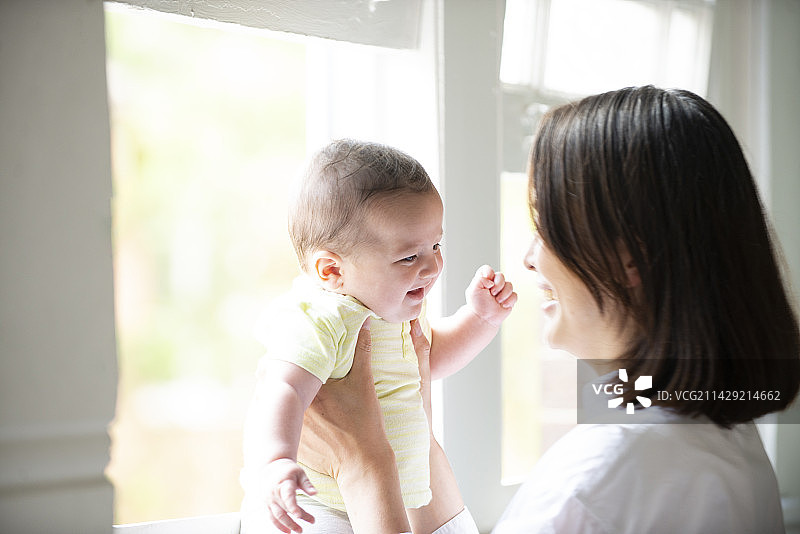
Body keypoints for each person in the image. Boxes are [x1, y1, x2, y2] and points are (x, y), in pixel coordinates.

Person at [295, 86, 800, 533]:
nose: (530, 257)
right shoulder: (726, 437)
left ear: (629, 256)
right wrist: (415, 438)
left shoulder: (592, 487)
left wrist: (364, 466)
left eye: (546, 226)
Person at [239, 139, 517, 534]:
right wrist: (275, 461)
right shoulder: (323, 317)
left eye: (436, 245)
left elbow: (430, 357)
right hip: (315, 505)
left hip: (384, 501)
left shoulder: (390, 312)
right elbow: (282, 388)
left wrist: (479, 319)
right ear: (332, 271)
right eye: (409, 257)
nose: (432, 266)